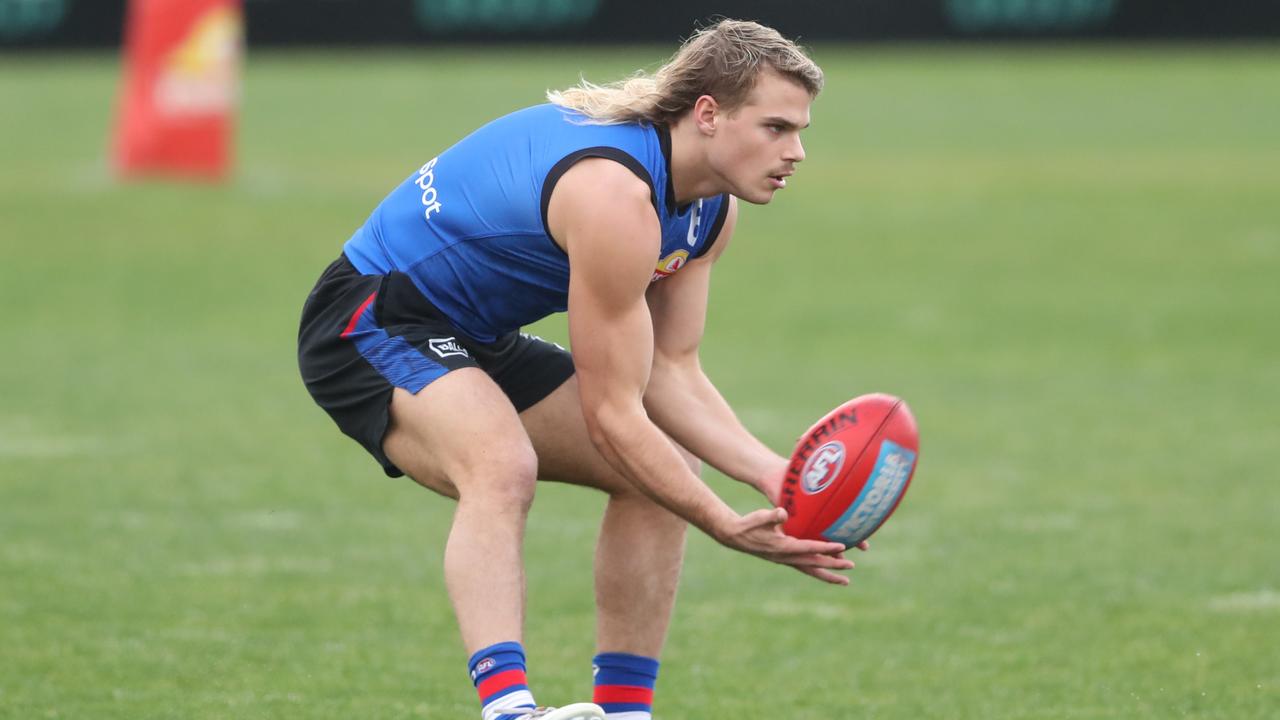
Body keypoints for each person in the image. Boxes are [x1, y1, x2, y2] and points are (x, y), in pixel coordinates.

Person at [297, 18, 863, 720]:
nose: (797, 151)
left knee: (663, 474)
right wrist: (720, 521)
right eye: (776, 127)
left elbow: (671, 371)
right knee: (501, 465)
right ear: (709, 115)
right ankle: (510, 711)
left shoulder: (707, 212)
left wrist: (772, 473)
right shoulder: (612, 194)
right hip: (370, 317)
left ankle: (626, 711)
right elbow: (613, 412)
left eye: (801, 130)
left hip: (476, 333)